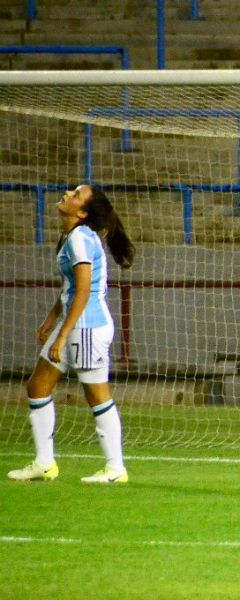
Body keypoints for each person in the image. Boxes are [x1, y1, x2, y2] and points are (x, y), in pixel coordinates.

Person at [7, 184, 135, 484]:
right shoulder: (71, 235)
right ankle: (44, 463)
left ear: (81, 212)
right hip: (72, 323)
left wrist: (62, 335)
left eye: (76, 194)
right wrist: (52, 319)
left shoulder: (79, 238)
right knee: (37, 386)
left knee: (96, 395)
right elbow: (70, 289)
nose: (67, 193)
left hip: (87, 327)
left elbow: (83, 292)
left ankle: (116, 468)